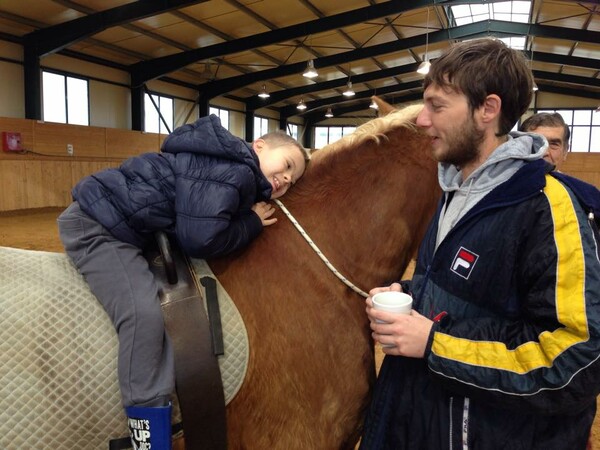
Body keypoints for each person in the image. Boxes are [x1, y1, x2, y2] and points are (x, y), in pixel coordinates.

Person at [359, 38, 600, 450]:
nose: (422, 120)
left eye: (437, 106)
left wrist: (435, 346)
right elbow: (465, 292)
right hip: (425, 419)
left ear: (487, 109)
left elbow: (576, 361)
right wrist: (409, 293)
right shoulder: (454, 190)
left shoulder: (546, 208)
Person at [57, 115, 308, 450]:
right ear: (258, 146)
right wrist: (249, 223)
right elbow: (200, 238)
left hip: (121, 220)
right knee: (142, 311)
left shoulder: (223, 163)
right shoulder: (234, 170)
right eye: (288, 164)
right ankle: (147, 433)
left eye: (292, 179)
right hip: (97, 227)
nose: (287, 177)